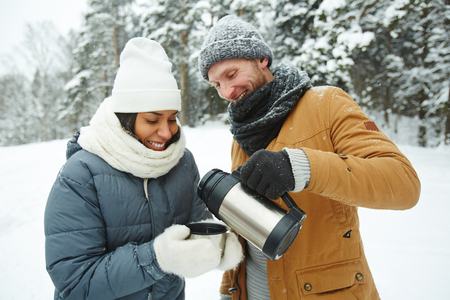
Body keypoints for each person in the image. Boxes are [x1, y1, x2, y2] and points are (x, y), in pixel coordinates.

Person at [198, 15, 421, 300]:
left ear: (262, 59)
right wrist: (229, 291)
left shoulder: (325, 104)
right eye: (216, 85)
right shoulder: (241, 135)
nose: (227, 92)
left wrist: (300, 167)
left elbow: (403, 183)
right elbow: (242, 224)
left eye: (231, 75)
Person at [44, 37, 242, 300]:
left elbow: (196, 224)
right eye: (152, 119)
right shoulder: (80, 176)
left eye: (172, 118)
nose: (166, 131)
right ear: (125, 118)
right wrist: (157, 258)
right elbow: (75, 281)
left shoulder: (181, 161)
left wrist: (215, 245)